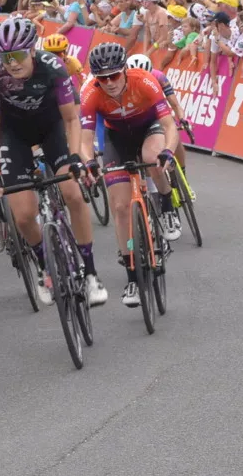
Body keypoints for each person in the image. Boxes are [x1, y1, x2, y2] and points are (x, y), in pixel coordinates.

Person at [0, 17, 107, 307]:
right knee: (23, 214)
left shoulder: (53, 67)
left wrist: (75, 157)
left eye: (18, 55)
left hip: (52, 130)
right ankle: (43, 264)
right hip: (15, 138)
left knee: (72, 193)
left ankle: (90, 273)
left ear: (32, 50)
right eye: (5, 57)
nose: (11, 63)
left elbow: (72, 119)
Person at [78, 42, 180, 307]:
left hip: (148, 127)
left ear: (124, 70)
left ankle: (167, 205)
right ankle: (132, 277)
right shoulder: (90, 93)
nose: (109, 82)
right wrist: (89, 162)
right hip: (116, 139)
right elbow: (85, 140)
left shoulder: (144, 81)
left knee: (152, 159)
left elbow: (169, 125)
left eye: (114, 75)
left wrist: (168, 152)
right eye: (103, 78)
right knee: (121, 208)